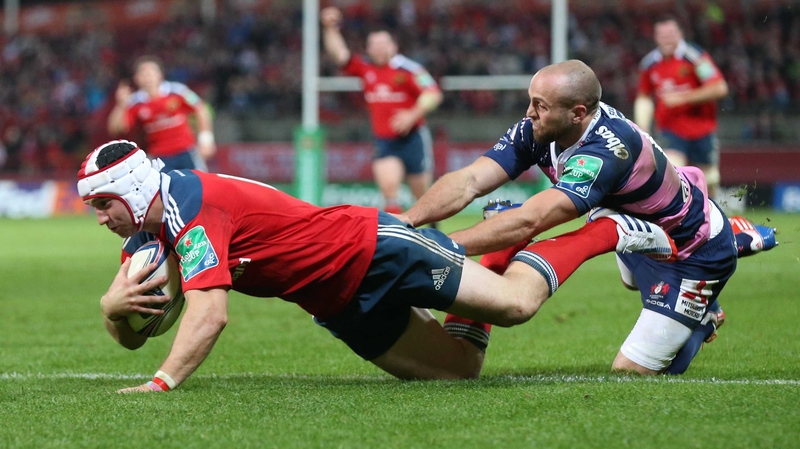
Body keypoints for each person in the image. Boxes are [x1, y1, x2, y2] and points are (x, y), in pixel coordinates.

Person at [78, 140, 676, 392]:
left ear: (132, 189)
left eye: (103, 203)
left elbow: (209, 315)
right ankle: (495, 251)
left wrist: (164, 384)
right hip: (337, 303)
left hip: (374, 250)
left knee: (516, 305)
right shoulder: (151, 231)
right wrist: (111, 309)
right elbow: (129, 333)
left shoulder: (191, 207)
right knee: (460, 372)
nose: (100, 217)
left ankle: (607, 231)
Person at [401, 60, 739, 375]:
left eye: (541, 106)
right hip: (639, 230)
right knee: (628, 271)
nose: (528, 113)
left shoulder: (608, 150)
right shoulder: (538, 129)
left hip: (693, 250)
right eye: (532, 101)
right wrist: (407, 222)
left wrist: (441, 245)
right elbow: (470, 180)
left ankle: (704, 315)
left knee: (631, 372)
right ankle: (689, 287)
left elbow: (530, 221)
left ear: (577, 113)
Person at [321, 7, 443, 220]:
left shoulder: (409, 69)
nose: (378, 49)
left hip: (413, 138)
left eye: (382, 44)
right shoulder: (365, 68)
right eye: (373, 45)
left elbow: (433, 94)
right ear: (368, 48)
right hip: (385, 140)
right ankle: (396, 239)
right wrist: (330, 28)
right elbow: (339, 53)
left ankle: (432, 231)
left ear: (393, 46)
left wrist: (412, 115)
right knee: (389, 190)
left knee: (422, 195)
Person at [634, 16, 729, 200]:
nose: (666, 39)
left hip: (701, 129)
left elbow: (719, 88)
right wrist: (642, 126)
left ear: (680, 34)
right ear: (655, 37)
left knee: (710, 180)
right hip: (670, 130)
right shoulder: (650, 64)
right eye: (662, 35)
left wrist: (683, 98)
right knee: (673, 173)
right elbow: (644, 96)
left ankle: (713, 218)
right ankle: (678, 221)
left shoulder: (695, 58)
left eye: (670, 34)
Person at [107, 55, 216, 172]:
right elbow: (116, 129)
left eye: (151, 72)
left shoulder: (177, 91)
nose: (148, 77)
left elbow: (200, 109)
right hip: (158, 157)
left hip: (186, 151)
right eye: (143, 73)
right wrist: (120, 105)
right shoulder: (134, 102)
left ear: (160, 74)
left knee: (199, 184)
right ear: (136, 78)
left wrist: (206, 139)